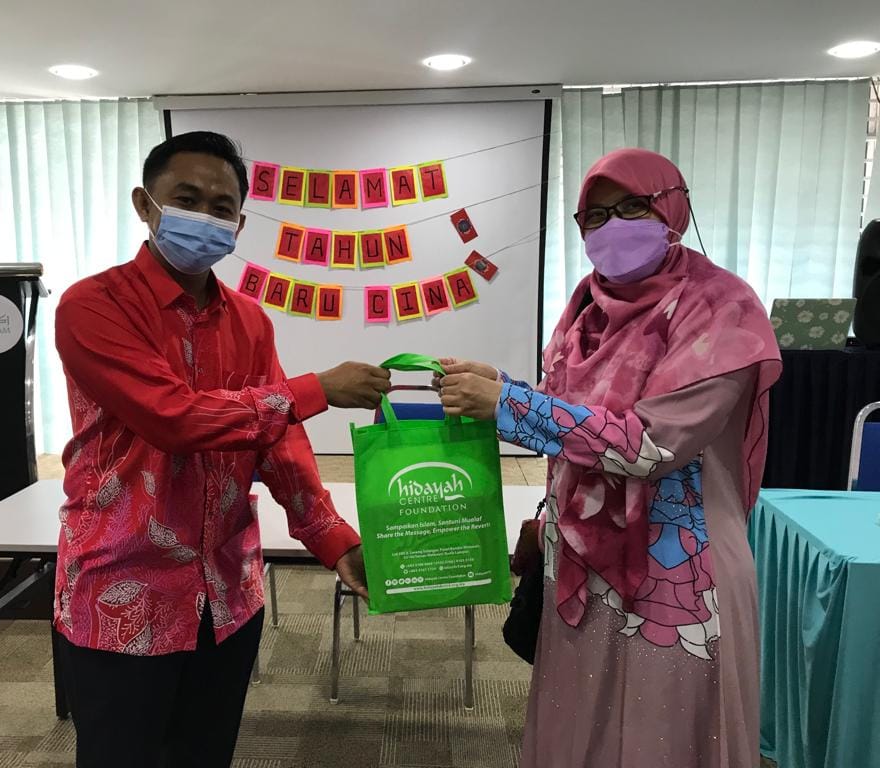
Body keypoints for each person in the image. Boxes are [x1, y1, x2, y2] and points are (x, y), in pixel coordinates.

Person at [52, 130, 390, 768]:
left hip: (226, 595)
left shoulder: (249, 320)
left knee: (204, 756)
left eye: (221, 206)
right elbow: (174, 418)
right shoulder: (94, 306)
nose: (205, 217)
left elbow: (278, 443)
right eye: (187, 199)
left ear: (239, 223)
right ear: (145, 205)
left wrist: (332, 537)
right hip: (123, 590)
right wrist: (318, 389)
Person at [435, 148, 782, 767]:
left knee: (660, 737)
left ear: (672, 208)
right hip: (581, 562)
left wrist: (510, 405)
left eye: (632, 207)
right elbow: (574, 414)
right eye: (595, 216)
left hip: (674, 574)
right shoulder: (586, 307)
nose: (612, 226)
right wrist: (503, 387)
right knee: (581, 729)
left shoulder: (722, 310)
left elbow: (649, 444)